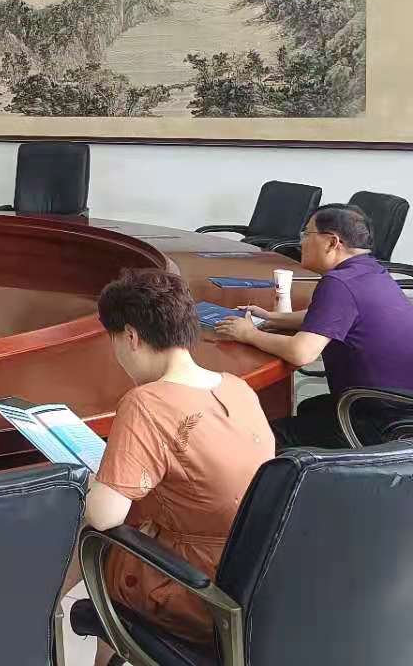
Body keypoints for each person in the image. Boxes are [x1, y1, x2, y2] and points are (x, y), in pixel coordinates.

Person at [79, 269, 272, 655]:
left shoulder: (147, 402)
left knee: (82, 537)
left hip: (197, 593)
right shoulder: (237, 387)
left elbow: (103, 517)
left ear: (130, 337)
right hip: (261, 580)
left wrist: (89, 482)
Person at [214, 203, 413, 448]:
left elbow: (301, 352)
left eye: (307, 234)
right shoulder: (370, 270)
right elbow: (330, 315)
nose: (301, 243)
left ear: (331, 242)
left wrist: (248, 334)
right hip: (398, 402)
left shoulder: (339, 282)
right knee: (310, 408)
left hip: (384, 419)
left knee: (263, 439)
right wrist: (273, 318)